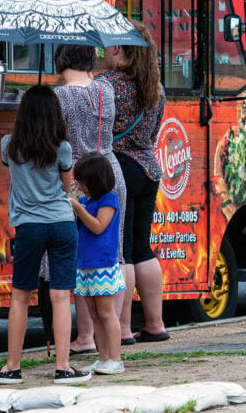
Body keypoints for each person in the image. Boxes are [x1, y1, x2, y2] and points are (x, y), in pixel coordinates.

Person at [0, 85, 91, 385]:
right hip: (61, 224)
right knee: (59, 296)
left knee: (20, 297)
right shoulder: (62, 149)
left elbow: (16, 176)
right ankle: (64, 368)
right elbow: (71, 188)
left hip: (28, 226)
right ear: (55, 114)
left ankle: (12, 368)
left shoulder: (9, 146)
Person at [52, 44, 127, 356]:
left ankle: (85, 336)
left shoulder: (60, 96)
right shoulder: (105, 89)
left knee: (82, 258)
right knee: (114, 255)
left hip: (79, 177)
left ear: (61, 60)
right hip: (110, 171)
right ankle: (115, 333)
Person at [100, 21, 170, 344]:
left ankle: (124, 328)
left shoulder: (108, 84)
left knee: (123, 251)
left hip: (120, 169)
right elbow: (153, 131)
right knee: (143, 247)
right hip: (149, 168)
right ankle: (155, 324)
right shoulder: (155, 87)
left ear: (118, 48)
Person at [70, 152, 126, 375]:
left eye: (83, 181)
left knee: (106, 312)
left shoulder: (108, 199)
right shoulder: (86, 201)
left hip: (102, 264)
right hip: (85, 264)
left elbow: (98, 226)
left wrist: (78, 209)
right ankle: (103, 358)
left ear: (95, 180)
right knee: (94, 314)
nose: (80, 186)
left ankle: (115, 358)